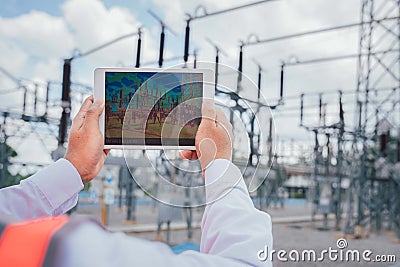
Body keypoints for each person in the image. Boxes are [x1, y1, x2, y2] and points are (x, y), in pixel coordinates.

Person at [0, 96, 273, 266]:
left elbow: (7, 210)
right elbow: (246, 262)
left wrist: (75, 168)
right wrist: (219, 161)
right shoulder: (71, 250)